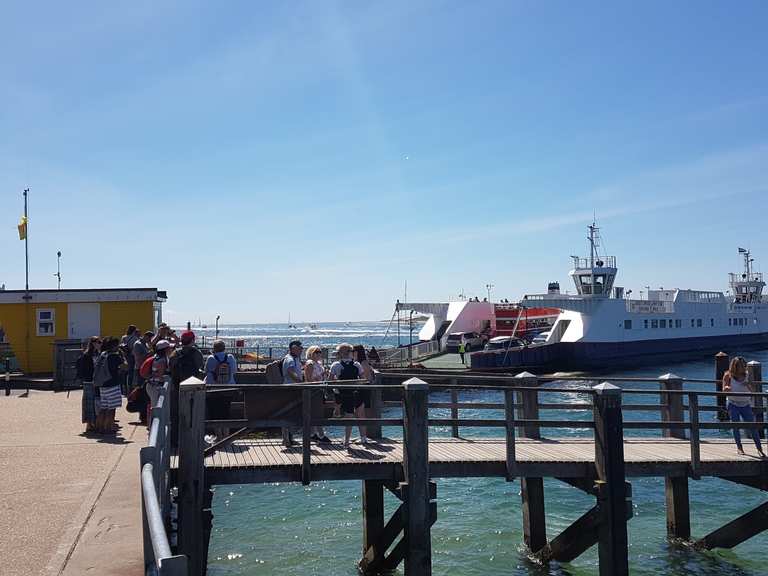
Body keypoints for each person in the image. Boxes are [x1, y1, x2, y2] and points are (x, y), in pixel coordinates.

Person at [723, 356, 766, 457]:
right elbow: (723, 389)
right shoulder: (727, 375)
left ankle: (759, 449)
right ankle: (739, 447)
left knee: (752, 427)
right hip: (733, 403)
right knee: (735, 426)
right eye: (740, 366)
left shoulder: (747, 375)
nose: (743, 368)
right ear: (734, 366)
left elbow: (753, 391)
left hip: (746, 404)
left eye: (743, 365)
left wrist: (748, 385)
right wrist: (727, 388)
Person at [329, 343, 365, 449]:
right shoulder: (357, 364)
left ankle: (347, 441)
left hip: (342, 393)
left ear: (340, 353)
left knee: (348, 417)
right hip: (355, 392)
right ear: (350, 353)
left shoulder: (336, 365)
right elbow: (363, 379)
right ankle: (360, 438)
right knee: (357, 415)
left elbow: (330, 381)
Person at [93, 337, 125, 434]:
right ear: (114, 345)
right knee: (112, 408)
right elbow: (125, 366)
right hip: (112, 384)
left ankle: (99, 427)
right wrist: (122, 356)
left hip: (102, 384)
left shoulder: (103, 354)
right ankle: (109, 428)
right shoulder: (114, 356)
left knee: (103, 407)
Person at [303, 345, 331, 443]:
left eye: (320, 352)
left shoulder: (319, 363)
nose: (319, 354)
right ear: (311, 353)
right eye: (316, 352)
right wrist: (318, 379)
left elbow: (319, 376)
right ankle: (321, 435)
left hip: (320, 389)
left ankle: (313, 434)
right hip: (314, 390)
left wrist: (324, 375)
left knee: (317, 412)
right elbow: (308, 379)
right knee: (316, 413)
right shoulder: (310, 363)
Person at [281, 340, 304, 446]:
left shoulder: (296, 358)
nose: (301, 350)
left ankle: (289, 438)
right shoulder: (289, 359)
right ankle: (286, 439)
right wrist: (301, 382)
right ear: (294, 348)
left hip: (294, 389)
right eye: (300, 348)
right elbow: (291, 372)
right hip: (290, 389)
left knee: (292, 414)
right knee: (288, 414)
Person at [76, 336, 101, 433]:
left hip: (96, 381)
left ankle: (94, 423)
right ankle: (89, 424)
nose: (100, 344)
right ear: (93, 343)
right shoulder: (86, 355)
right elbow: (87, 369)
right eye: (98, 342)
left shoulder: (99, 354)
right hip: (89, 381)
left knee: (96, 403)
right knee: (89, 403)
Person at [146, 340, 173, 418]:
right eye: (168, 348)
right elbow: (161, 377)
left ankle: (151, 425)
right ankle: (153, 427)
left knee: (155, 406)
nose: (170, 349)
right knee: (156, 408)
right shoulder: (162, 361)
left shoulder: (156, 357)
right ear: (164, 349)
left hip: (152, 385)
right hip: (155, 386)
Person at [120, 325, 140, 392]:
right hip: (131, 357)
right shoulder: (136, 339)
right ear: (134, 331)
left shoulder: (123, 337)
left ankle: (123, 388)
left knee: (124, 373)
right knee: (130, 373)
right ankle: (129, 388)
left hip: (124, 356)